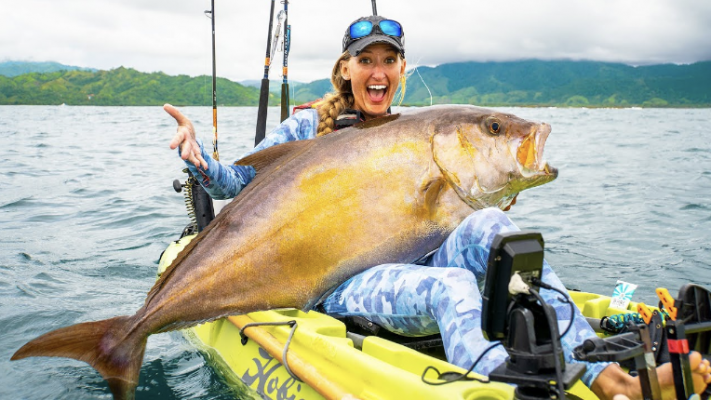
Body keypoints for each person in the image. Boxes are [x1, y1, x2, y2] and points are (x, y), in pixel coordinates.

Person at [165, 15, 710, 400]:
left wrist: (489, 192)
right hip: (338, 281)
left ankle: (607, 379)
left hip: (411, 257)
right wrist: (197, 157)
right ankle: (502, 384)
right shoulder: (310, 126)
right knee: (453, 287)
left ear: (401, 69)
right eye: (366, 60)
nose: (378, 72)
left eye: (389, 60)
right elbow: (237, 182)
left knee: (499, 228)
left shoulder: (412, 132)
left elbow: (446, 212)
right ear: (346, 69)